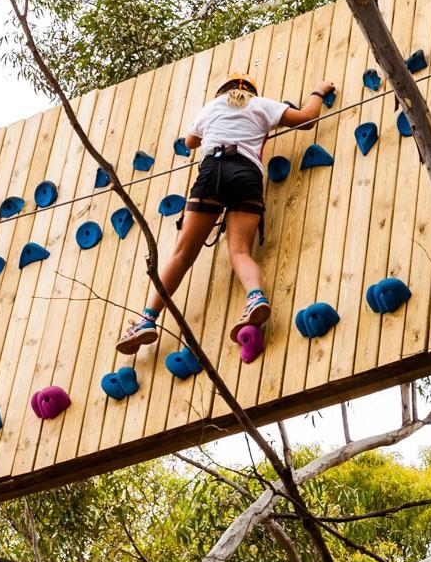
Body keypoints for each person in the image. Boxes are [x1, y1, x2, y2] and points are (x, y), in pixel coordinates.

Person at [115, 70, 333, 354]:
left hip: (214, 170)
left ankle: (147, 320)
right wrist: (318, 90)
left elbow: (190, 141)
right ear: (251, 92)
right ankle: (255, 298)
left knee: (182, 254)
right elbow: (306, 119)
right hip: (247, 174)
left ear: (222, 92)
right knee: (240, 251)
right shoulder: (262, 104)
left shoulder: (211, 107)